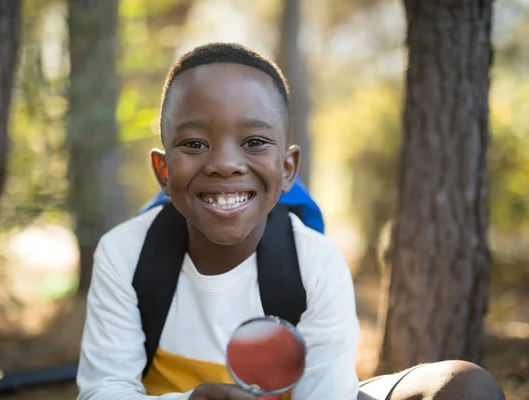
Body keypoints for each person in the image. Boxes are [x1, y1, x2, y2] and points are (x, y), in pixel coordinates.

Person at [76, 43, 505, 400]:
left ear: (287, 168)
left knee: (465, 389)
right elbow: (103, 390)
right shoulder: (126, 253)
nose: (225, 163)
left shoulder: (315, 262)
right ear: (164, 171)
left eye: (254, 141)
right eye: (194, 143)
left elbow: (325, 394)